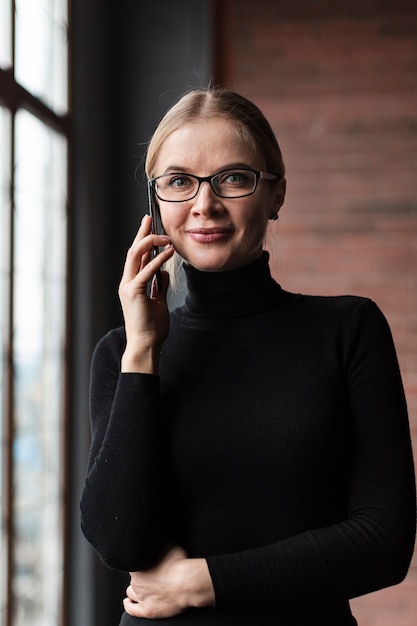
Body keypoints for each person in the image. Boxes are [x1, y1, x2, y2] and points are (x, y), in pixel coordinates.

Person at [80, 88, 416, 625]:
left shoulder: (347, 330)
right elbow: (120, 542)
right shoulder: (122, 352)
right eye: (179, 181)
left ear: (276, 194)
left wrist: (202, 582)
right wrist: (144, 351)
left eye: (233, 178)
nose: (204, 204)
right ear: (157, 201)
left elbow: (384, 541)